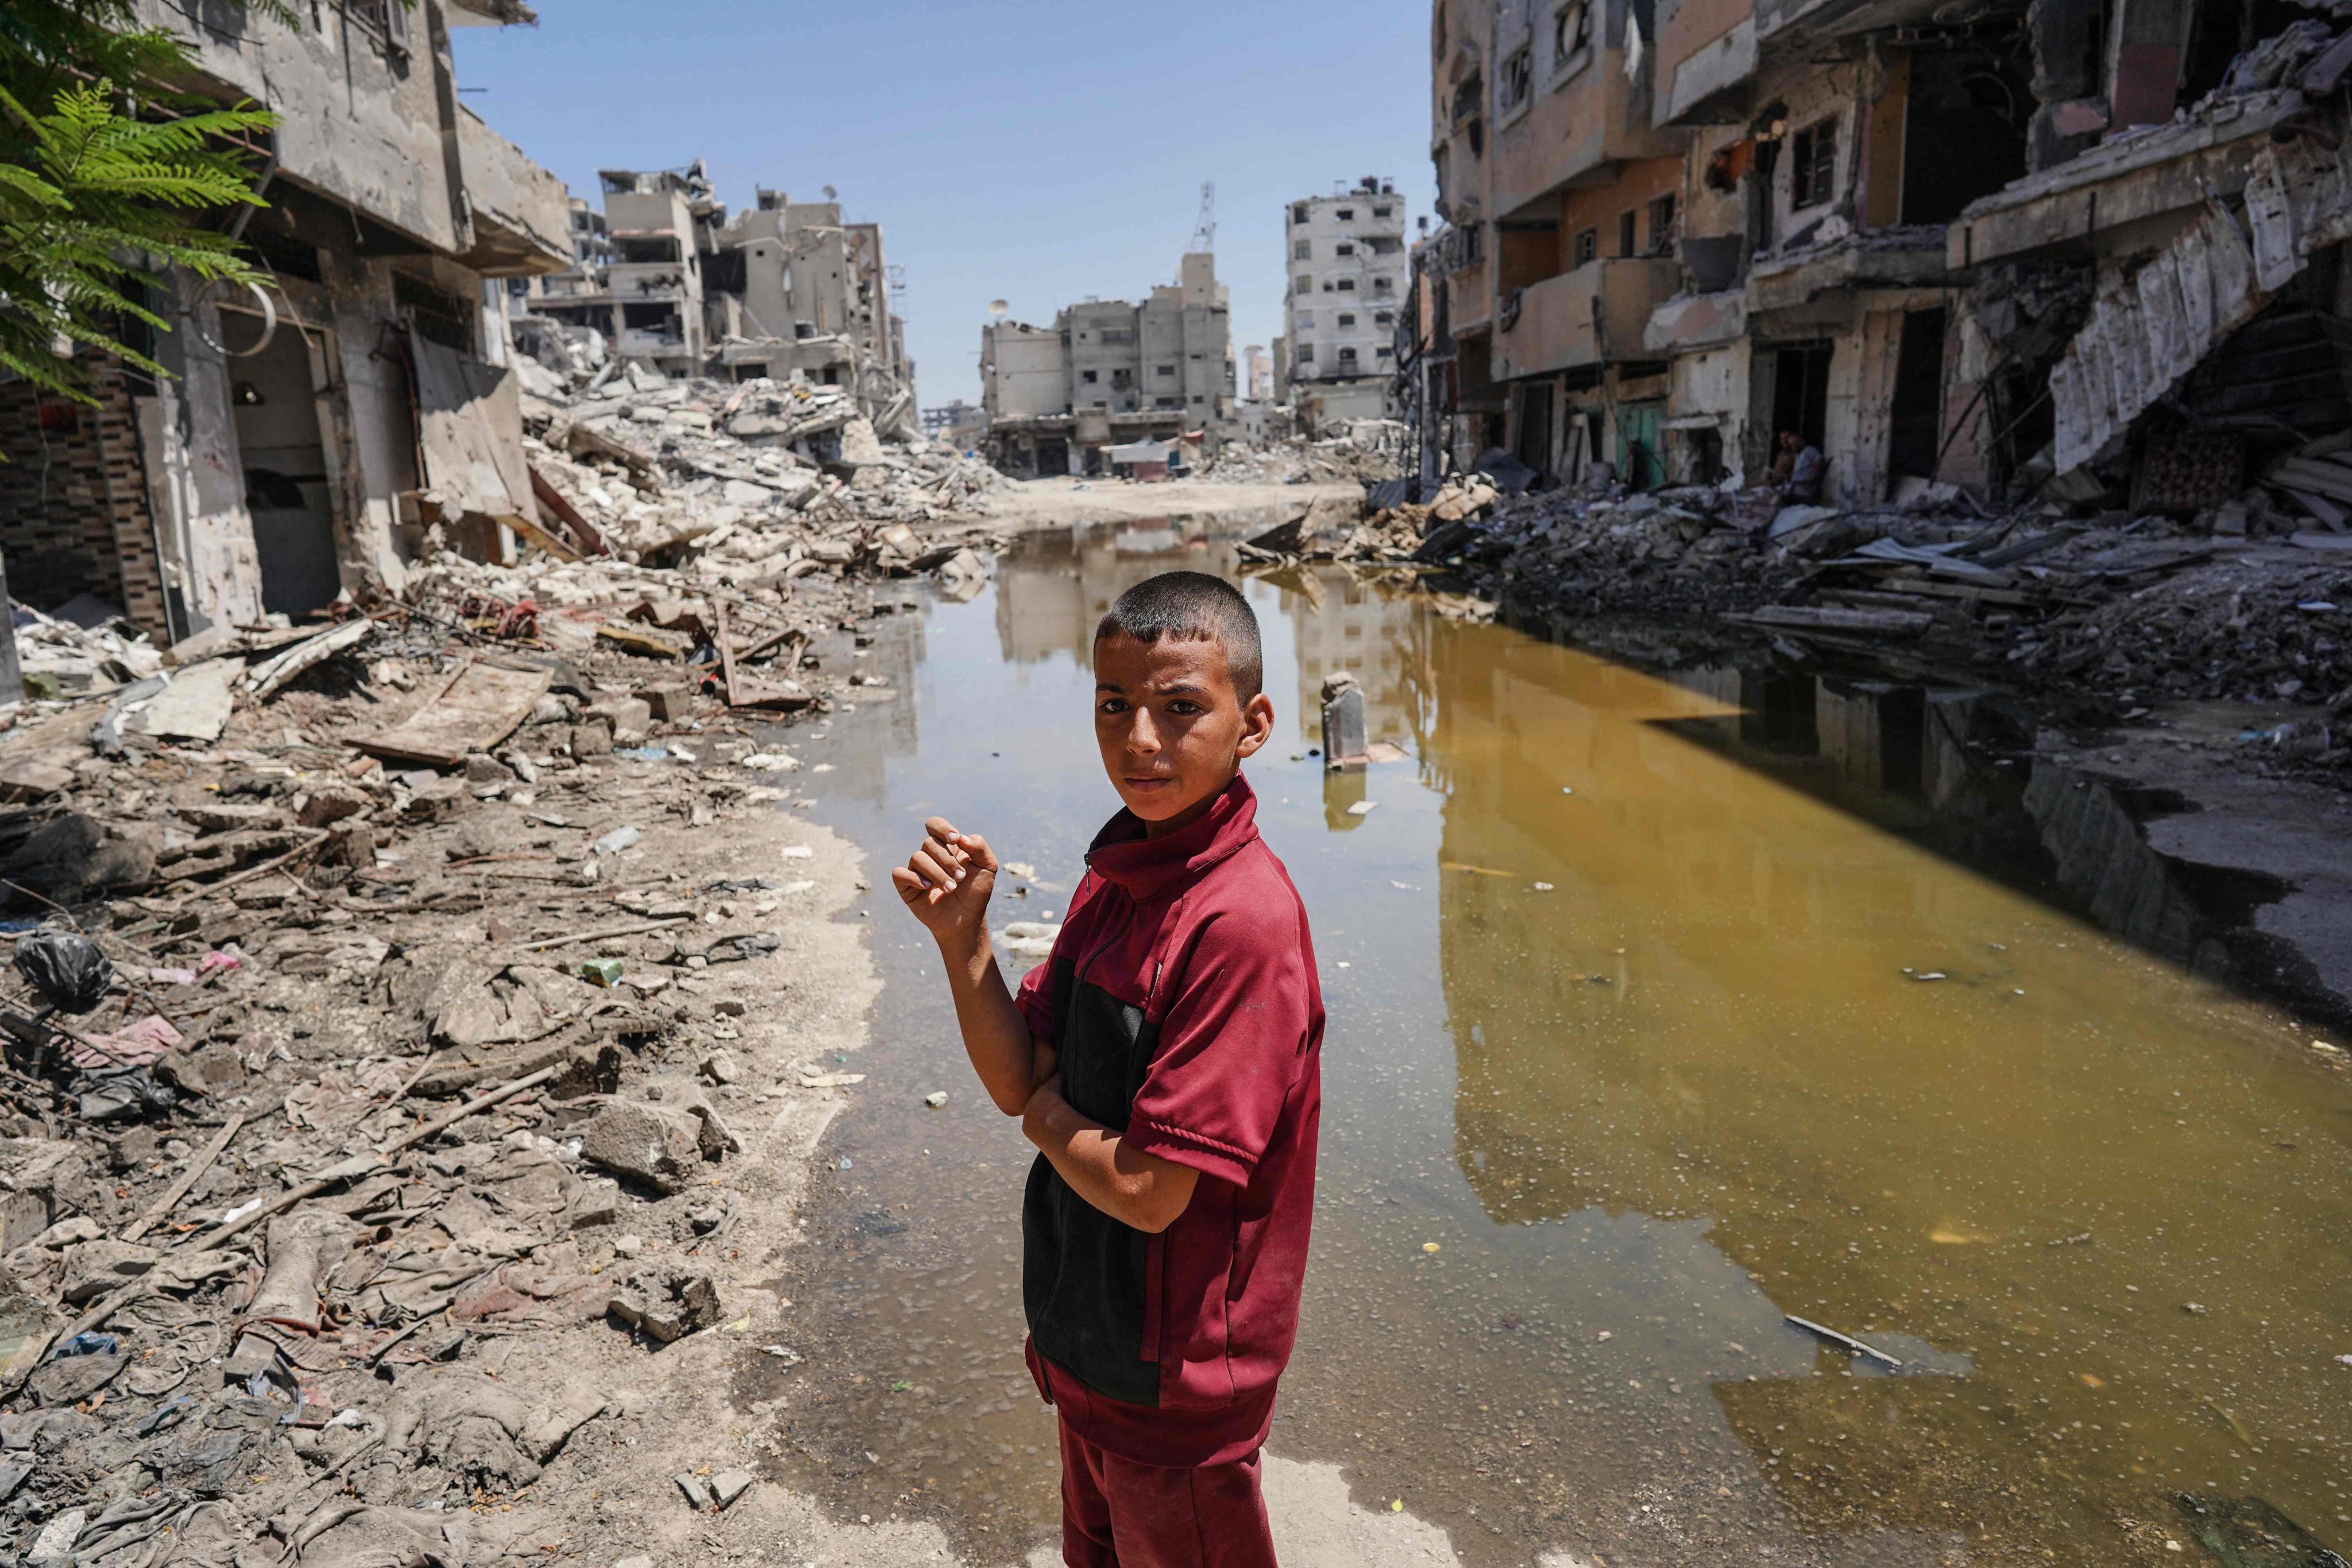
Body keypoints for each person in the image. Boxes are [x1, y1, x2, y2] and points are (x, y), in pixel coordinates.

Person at [892, 571, 1324, 1568]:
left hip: (1176, 1387)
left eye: (1181, 710)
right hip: (1087, 1349)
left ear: (1252, 724)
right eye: (1115, 706)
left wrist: (1046, 1116)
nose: (1141, 742)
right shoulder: (1121, 873)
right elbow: (1015, 1078)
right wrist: (965, 945)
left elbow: (1149, 1187)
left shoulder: (1241, 924)